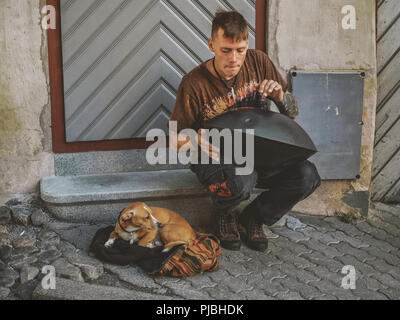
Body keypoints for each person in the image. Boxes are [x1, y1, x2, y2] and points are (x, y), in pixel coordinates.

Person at [169, 11, 321, 252]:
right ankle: (223, 214)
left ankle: (253, 217)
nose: (234, 58)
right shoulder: (193, 83)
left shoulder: (259, 62)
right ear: (211, 45)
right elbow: (173, 139)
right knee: (242, 179)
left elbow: (292, 113)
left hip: (261, 155)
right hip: (216, 159)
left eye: (240, 49)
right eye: (226, 50)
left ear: (247, 44)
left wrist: (280, 95)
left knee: (307, 176)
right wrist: (193, 137)